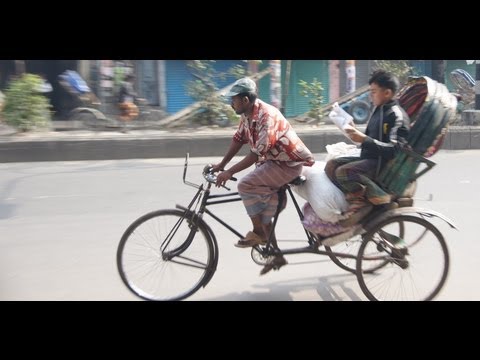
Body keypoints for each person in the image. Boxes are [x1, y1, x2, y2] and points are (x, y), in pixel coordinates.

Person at [213, 77, 315, 275]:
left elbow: (256, 153)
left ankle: (258, 232)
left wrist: (230, 172)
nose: (231, 103)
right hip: (270, 162)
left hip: (287, 164)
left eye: (233, 100)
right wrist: (221, 165)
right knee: (263, 214)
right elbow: (238, 139)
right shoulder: (247, 115)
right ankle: (275, 254)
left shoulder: (266, 116)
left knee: (244, 186)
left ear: (244, 100)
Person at [324, 70, 410, 226]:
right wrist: (354, 131)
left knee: (344, 172)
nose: (371, 96)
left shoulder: (396, 115)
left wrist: (364, 139)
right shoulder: (379, 109)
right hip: (369, 157)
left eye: (374, 92)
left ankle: (375, 197)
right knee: (331, 166)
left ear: (387, 93)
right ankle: (357, 197)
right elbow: (369, 139)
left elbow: (394, 150)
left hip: (383, 164)